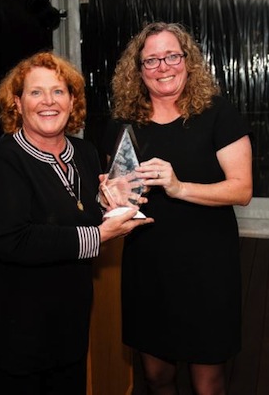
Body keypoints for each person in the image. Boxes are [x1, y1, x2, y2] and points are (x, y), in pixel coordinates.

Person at [0, 51, 153, 395]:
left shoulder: (84, 152)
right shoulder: (1, 161)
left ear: (72, 100)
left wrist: (107, 200)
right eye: (35, 92)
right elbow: (12, 239)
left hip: (66, 317)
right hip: (10, 324)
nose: (48, 101)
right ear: (17, 103)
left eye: (59, 91)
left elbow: (73, 211)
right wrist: (99, 235)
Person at [103, 22, 253, 394]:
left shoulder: (217, 114)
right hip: (148, 265)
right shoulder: (124, 122)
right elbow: (113, 183)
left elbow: (242, 189)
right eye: (151, 60)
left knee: (208, 382)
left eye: (171, 56)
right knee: (157, 377)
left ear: (187, 60)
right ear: (137, 71)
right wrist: (108, 192)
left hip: (207, 266)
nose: (163, 67)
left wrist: (178, 186)